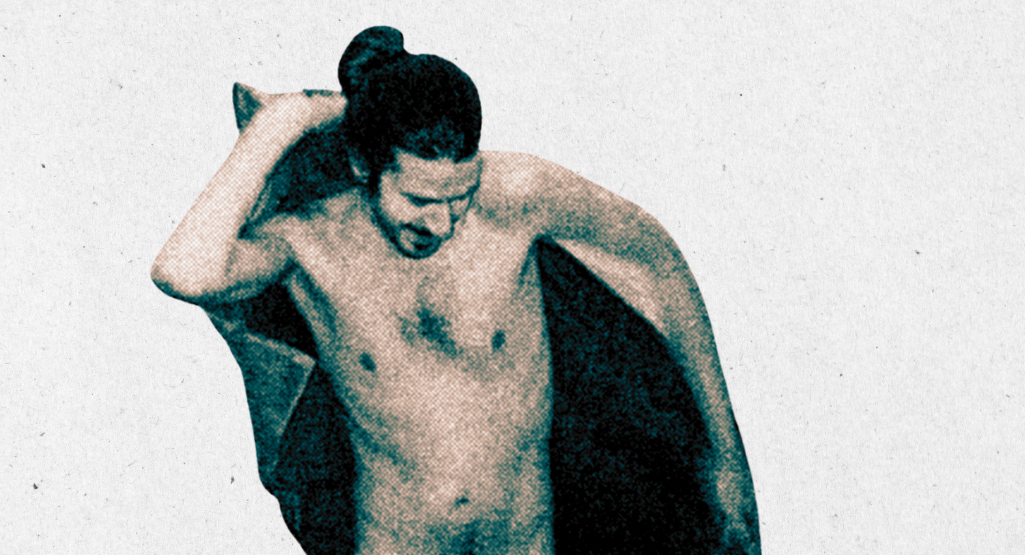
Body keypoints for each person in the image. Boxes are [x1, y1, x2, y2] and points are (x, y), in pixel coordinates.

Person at [152, 26, 758, 555]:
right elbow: (184, 272)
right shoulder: (307, 245)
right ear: (364, 166)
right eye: (418, 200)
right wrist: (287, 120)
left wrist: (726, 454)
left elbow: (655, 267)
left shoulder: (517, 199)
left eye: (459, 197)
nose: (441, 223)